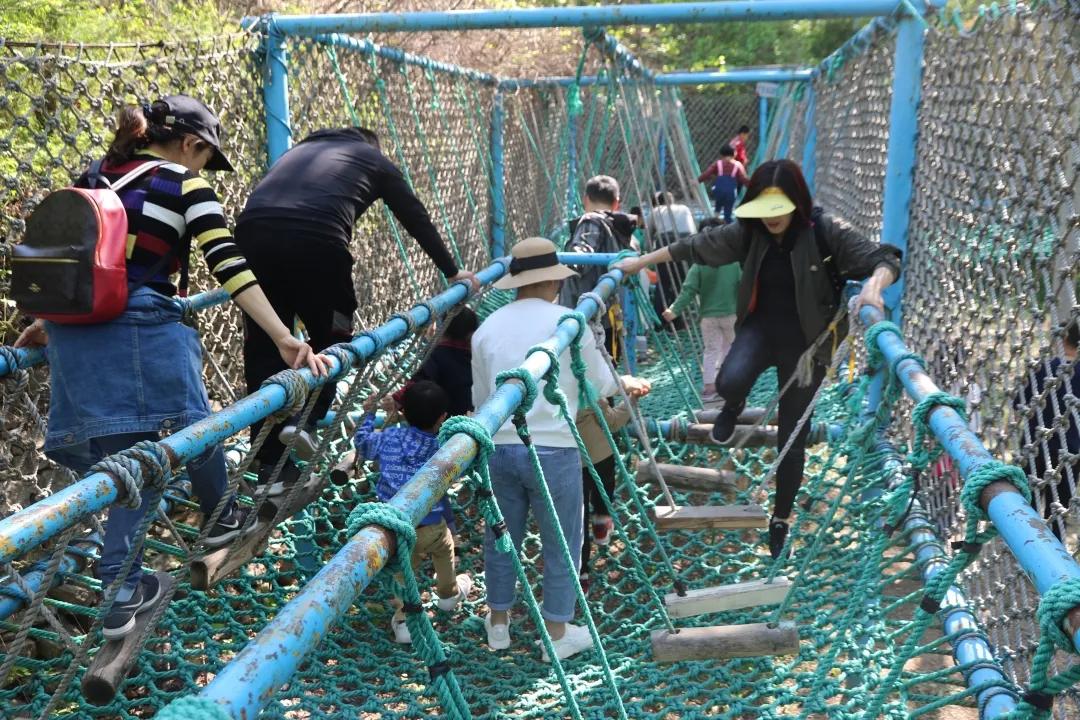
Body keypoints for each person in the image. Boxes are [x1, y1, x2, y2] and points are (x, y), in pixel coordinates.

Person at [14, 96, 326, 639]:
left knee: (151, 446)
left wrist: (48, 318)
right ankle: (121, 587)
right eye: (206, 155)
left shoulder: (92, 174)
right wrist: (281, 335)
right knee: (158, 453)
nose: (205, 166)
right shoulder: (184, 184)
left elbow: (68, 256)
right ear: (191, 144)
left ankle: (217, 517)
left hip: (75, 332)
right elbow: (228, 264)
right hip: (139, 331)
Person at [615, 160, 901, 559]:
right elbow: (696, 246)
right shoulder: (749, 232)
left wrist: (873, 285)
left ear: (796, 204)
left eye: (779, 210)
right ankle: (733, 406)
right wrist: (641, 262)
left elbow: (886, 258)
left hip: (807, 348)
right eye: (764, 212)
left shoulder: (824, 229)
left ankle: (781, 517)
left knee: (793, 437)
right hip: (760, 330)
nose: (772, 220)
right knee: (729, 380)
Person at [232, 127, 479, 491]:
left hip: (250, 239)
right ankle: (306, 420)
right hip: (319, 244)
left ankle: (268, 465)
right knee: (333, 338)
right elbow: (413, 214)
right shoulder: (373, 159)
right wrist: (452, 270)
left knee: (266, 345)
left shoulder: (294, 155)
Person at [473, 237, 650, 660]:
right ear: (555, 280)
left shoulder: (486, 328)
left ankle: (498, 623)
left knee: (501, 538)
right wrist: (626, 386)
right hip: (555, 447)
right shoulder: (569, 321)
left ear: (516, 282)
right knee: (562, 542)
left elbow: (481, 399)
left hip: (498, 447)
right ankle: (556, 630)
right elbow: (599, 386)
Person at [354, 381, 472, 644]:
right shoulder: (444, 446)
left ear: (403, 413)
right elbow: (465, 464)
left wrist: (370, 413)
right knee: (445, 548)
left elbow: (362, 443)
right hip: (431, 526)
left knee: (404, 573)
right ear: (443, 417)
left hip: (395, 529)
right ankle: (448, 593)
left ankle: (404, 619)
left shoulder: (389, 438)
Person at [559, 175, 642, 361]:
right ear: (616, 203)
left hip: (586, 318)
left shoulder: (591, 221)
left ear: (585, 199)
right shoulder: (625, 232)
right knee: (608, 375)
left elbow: (578, 258)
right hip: (613, 317)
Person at [1016, 321, 1080, 542]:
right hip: (1070, 451)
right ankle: (1054, 562)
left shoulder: (1042, 368)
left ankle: (1024, 550)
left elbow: (1021, 406)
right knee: (1058, 510)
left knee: (1027, 504)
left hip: (1036, 447)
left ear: (1060, 338)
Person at [662, 257, 742, 402]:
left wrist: (674, 310)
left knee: (711, 350)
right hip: (731, 314)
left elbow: (688, 290)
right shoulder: (734, 262)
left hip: (708, 316)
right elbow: (744, 286)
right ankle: (728, 384)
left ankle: (709, 388)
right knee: (731, 349)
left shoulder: (699, 264)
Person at [575, 398, 633, 594]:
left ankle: (581, 572)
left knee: (577, 518)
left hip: (565, 462)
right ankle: (601, 524)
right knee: (603, 491)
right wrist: (631, 400)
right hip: (599, 455)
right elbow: (613, 421)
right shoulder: (586, 390)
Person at [391, 307, 478, 417]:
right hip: (470, 417)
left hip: (442, 422)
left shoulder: (438, 354)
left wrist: (397, 399)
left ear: (443, 330)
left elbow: (419, 382)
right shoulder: (475, 356)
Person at [647, 191, 698, 326]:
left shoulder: (656, 210)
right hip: (688, 242)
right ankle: (678, 320)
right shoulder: (684, 209)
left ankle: (659, 321)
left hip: (666, 242)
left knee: (663, 284)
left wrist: (647, 255)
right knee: (682, 283)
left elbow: (648, 236)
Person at [698, 144, 749, 223]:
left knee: (718, 205)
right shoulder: (737, 165)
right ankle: (728, 226)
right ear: (734, 153)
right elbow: (744, 179)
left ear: (721, 154)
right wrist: (751, 186)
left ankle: (715, 221)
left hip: (718, 190)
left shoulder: (718, 163)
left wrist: (698, 180)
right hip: (731, 192)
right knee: (728, 212)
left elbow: (707, 173)